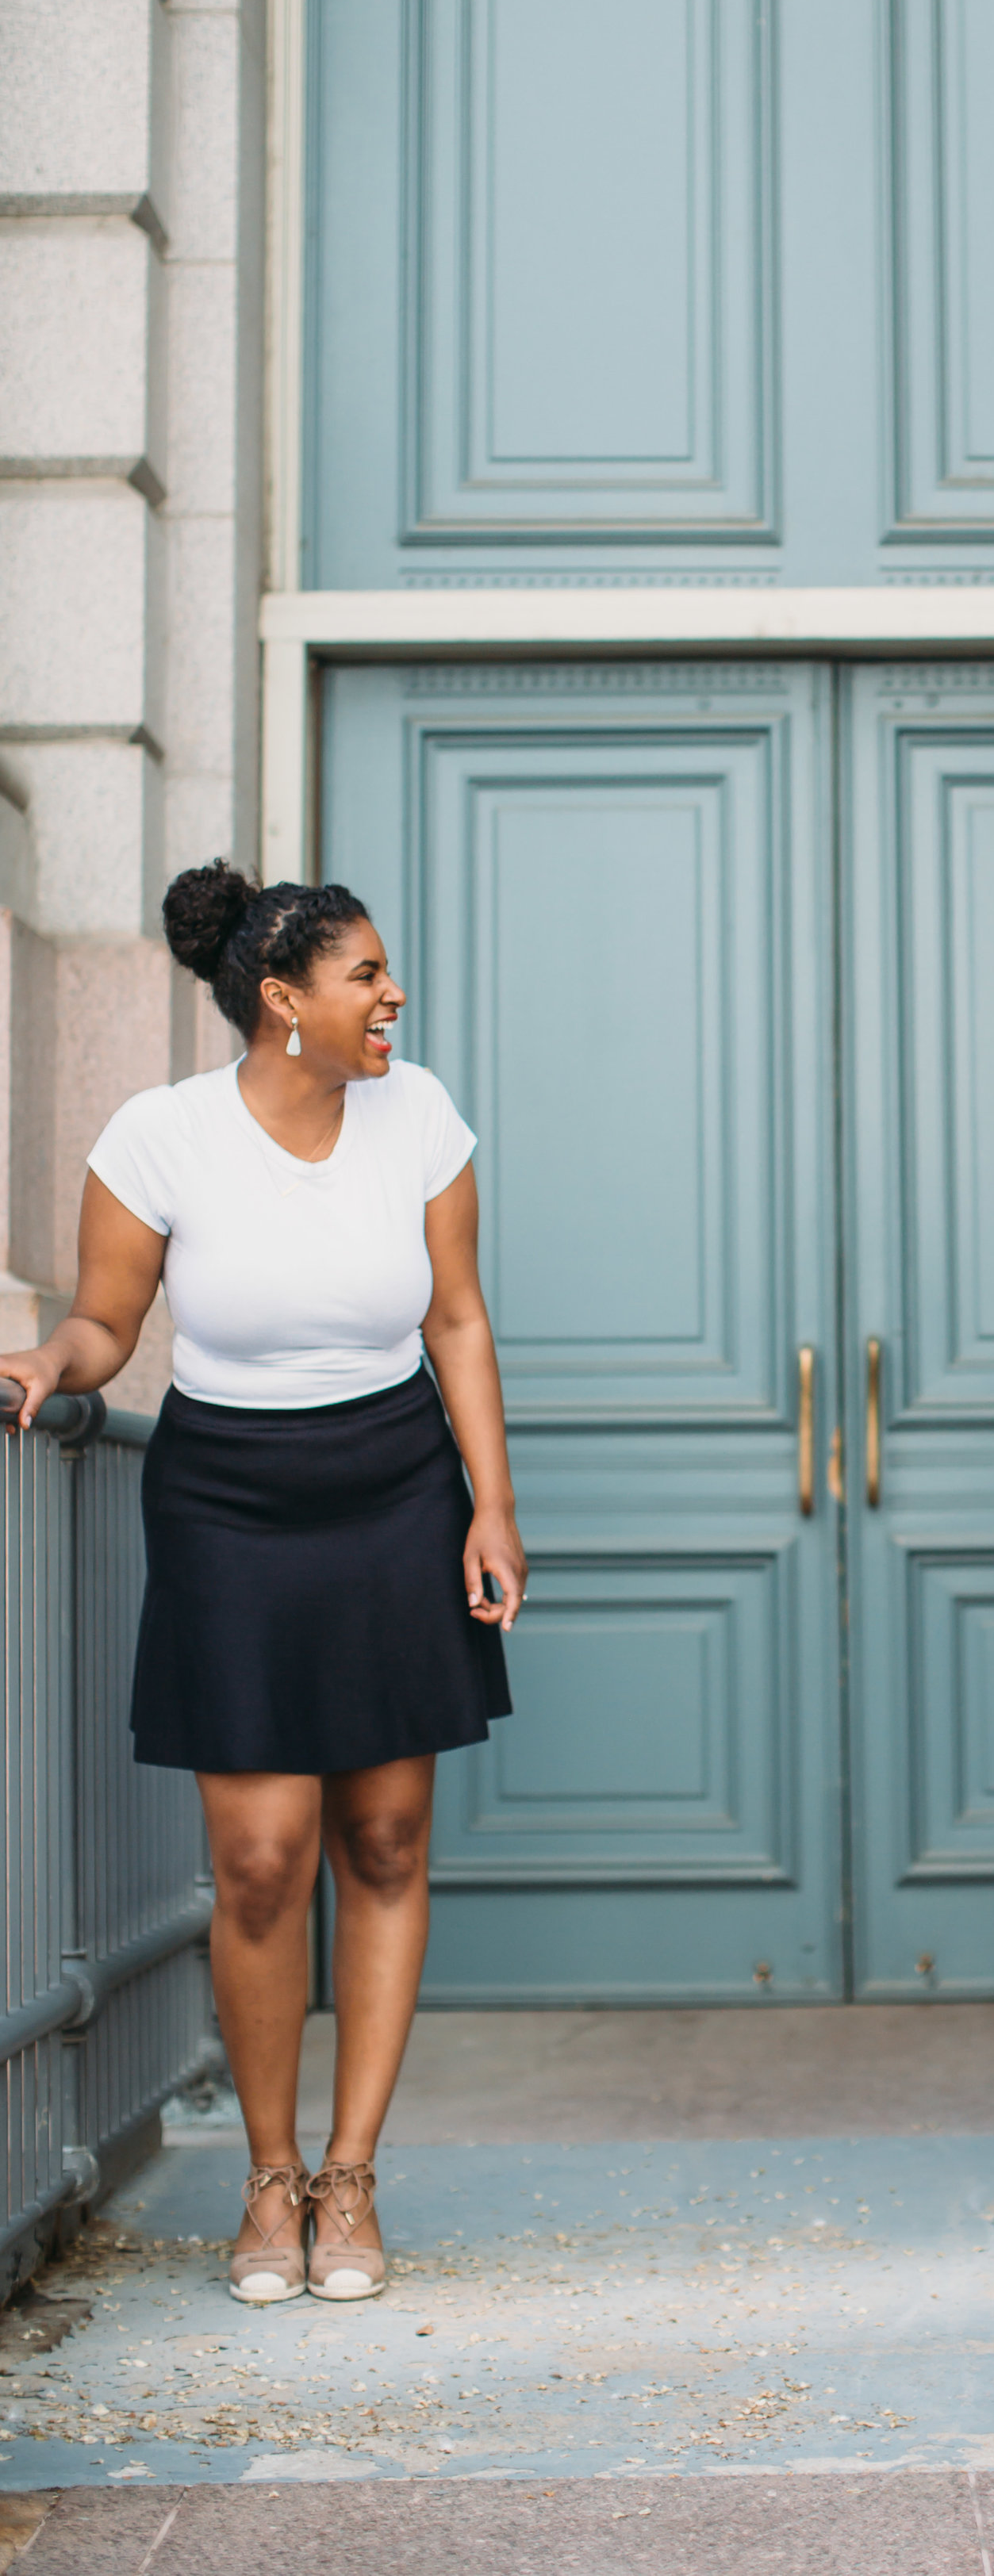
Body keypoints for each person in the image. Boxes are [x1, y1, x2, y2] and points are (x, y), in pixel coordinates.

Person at [0, 862, 525, 2308]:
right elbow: (111, 1317)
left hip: (397, 1486)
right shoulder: (159, 1136)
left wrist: (491, 1503)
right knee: (259, 1858)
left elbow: (460, 1317)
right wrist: (51, 1363)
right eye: (366, 976)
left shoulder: (417, 1115)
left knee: (390, 1834)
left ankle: (351, 2175)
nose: (394, 997)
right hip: (229, 1498)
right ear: (283, 1001)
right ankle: (268, 2175)